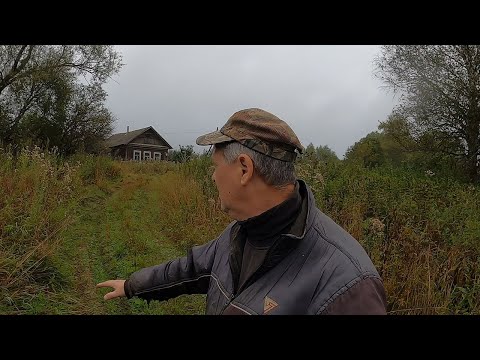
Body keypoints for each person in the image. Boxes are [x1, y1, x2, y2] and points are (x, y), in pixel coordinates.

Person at [96, 108, 387, 315]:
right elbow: (191, 269)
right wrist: (133, 285)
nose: (212, 177)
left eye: (215, 167)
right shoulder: (241, 232)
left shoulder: (347, 282)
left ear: (244, 169)